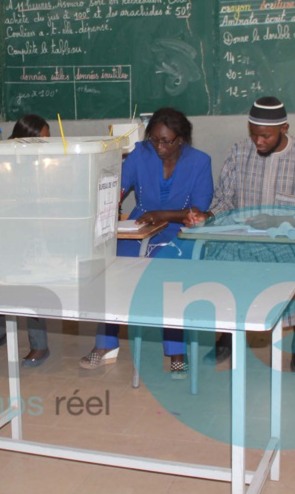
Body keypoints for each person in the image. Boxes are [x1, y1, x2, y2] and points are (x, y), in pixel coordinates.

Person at [185, 96, 295, 372]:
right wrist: (208, 216)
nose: (258, 142)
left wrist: (280, 220)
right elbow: (225, 201)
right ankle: (226, 336)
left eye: (265, 136)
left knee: (293, 274)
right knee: (217, 268)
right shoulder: (239, 151)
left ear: (284, 128)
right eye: (253, 134)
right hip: (242, 239)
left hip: (289, 241)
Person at [79, 107, 213, 379]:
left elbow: (199, 209)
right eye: (155, 139)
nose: (159, 147)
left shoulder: (200, 162)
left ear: (182, 140)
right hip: (140, 226)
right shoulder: (141, 154)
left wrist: (164, 215)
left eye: (167, 141)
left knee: (169, 278)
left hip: (178, 231)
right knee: (112, 270)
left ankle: (176, 351)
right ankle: (106, 344)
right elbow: (116, 186)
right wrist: (107, 202)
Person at [0, 114, 52, 367]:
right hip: (6, 228)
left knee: (31, 286)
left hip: (34, 230)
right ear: (26, 138)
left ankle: (39, 346)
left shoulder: (48, 163)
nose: (47, 144)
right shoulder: (2, 159)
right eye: (42, 139)